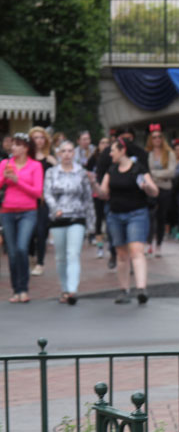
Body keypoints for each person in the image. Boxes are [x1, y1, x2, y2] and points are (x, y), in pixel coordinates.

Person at [97, 136, 159, 304]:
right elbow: (103, 193)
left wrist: (147, 187)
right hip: (115, 215)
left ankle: (141, 289)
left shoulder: (138, 169)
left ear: (122, 151)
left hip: (136, 214)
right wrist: (93, 185)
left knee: (136, 250)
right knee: (121, 254)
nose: (110, 154)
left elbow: (155, 191)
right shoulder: (111, 170)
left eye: (113, 150)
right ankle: (124, 290)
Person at [44, 140, 96, 305]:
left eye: (70, 151)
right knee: (60, 257)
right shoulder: (52, 172)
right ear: (59, 154)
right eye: (63, 151)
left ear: (74, 153)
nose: (67, 154)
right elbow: (47, 194)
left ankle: (72, 290)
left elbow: (87, 198)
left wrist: (91, 223)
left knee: (73, 253)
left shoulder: (81, 172)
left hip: (77, 216)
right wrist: (55, 209)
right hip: (59, 217)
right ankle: (64, 288)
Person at [0, 133, 43, 303]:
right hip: (7, 211)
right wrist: (5, 176)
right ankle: (16, 289)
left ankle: (24, 288)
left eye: (17, 145)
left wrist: (17, 181)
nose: (13, 148)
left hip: (27, 211)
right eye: (12, 145)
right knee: (11, 252)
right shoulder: (5, 163)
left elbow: (37, 192)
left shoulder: (35, 166)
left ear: (25, 148)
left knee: (21, 248)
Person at [28, 126, 55, 277]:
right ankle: (31, 256)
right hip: (28, 199)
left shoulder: (49, 159)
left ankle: (40, 263)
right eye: (35, 137)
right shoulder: (26, 158)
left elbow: (57, 179)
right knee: (29, 232)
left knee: (41, 231)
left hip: (44, 200)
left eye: (41, 137)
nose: (38, 140)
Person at [145, 127, 175, 257]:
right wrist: (159, 175)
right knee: (149, 217)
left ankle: (159, 245)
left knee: (161, 217)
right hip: (151, 189)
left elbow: (171, 172)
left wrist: (154, 174)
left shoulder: (169, 154)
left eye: (159, 137)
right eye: (154, 137)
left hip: (165, 189)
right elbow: (146, 172)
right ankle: (148, 244)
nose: (157, 139)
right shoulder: (148, 154)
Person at [86, 137, 109, 259]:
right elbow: (87, 172)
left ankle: (112, 246)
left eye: (107, 143)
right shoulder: (93, 159)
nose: (104, 145)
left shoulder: (113, 157)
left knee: (109, 220)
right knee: (99, 220)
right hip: (96, 193)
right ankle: (100, 246)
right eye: (102, 142)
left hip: (110, 193)